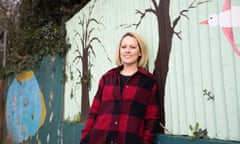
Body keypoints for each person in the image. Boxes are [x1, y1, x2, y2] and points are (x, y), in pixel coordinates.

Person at [80, 32, 160, 144]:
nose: (127, 50)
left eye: (132, 47)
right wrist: (85, 137)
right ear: (119, 51)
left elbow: (151, 119)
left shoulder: (148, 82)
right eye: (124, 47)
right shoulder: (107, 78)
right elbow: (94, 112)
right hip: (98, 139)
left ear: (140, 52)